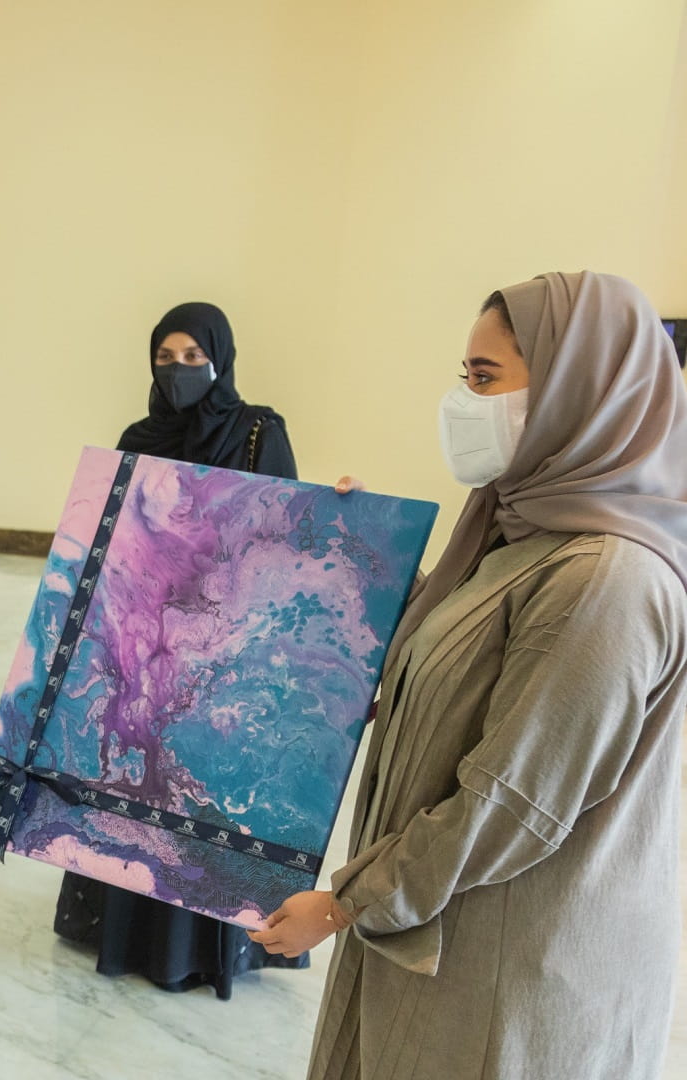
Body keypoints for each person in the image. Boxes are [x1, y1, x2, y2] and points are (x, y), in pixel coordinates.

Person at [249, 272, 687, 1080]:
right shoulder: (522, 532)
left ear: (575, 390)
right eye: (466, 379)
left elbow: (511, 798)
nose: (464, 403)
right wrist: (354, 551)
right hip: (442, 929)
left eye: (485, 379)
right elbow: (453, 646)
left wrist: (349, 902)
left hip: (511, 965)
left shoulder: (606, 578)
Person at [53, 301, 304, 999]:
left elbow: (278, 530)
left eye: (194, 357)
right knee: (138, 780)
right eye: (166, 358)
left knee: (205, 789)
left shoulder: (259, 431)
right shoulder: (139, 434)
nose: (180, 370)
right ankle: (126, 928)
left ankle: (204, 943)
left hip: (223, 642)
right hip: (145, 639)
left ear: (221, 358)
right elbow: (118, 532)